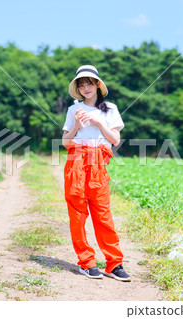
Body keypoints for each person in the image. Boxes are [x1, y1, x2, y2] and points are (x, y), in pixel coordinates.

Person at [61, 65, 131, 282]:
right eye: (81, 84)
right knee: (78, 214)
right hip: (76, 161)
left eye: (89, 83)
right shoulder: (74, 110)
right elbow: (65, 142)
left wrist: (100, 122)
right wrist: (76, 127)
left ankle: (114, 264)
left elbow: (115, 140)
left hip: (99, 163)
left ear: (98, 84)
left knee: (103, 215)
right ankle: (86, 262)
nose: (85, 88)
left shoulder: (110, 109)